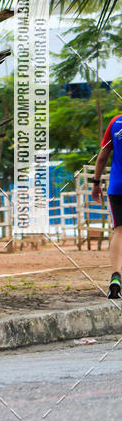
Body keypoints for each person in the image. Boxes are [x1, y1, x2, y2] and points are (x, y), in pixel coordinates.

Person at [92, 114, 122, 298]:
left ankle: (116, 276)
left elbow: (102, 156)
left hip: (117, 187)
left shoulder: (115, 122)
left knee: (119, 230)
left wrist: (96, 183)